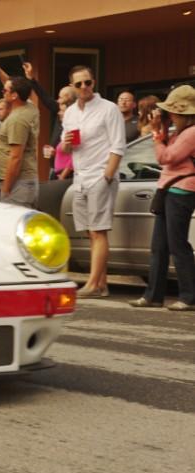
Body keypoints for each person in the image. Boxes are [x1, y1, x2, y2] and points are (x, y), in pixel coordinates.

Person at [60, 65, 126, 298]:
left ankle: (92, 283)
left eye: (87, 82)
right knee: (90, 232)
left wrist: (107, 176)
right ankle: (103, 283)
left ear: (94, 82)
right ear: (72, 87)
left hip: (100, 175)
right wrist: (67, 143)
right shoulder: (70, 113)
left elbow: (119, 145)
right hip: (80, 176)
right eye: (78, 84)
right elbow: (66, 148)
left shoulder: (109, 109)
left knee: (99, 231)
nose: (84, 87)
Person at [128, 85, 195, 311]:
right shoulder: (178, 132)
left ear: (186, 114)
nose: (170, 115)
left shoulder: (191, 133)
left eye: (173, 112)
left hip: (182, 191)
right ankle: (153, 296)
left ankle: (189, 297)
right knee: (159, 245)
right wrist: (162, 129)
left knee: (177, 244)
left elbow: (165, 157)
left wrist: (157, 136)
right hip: (168, 189)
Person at [0, 76, 40, 208]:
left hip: (18, 183)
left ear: (15, 95)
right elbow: (22, 87)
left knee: (11, 226)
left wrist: (6, 189)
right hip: (28, 181)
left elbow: (16, 157)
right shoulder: (31, 108)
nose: (2, 92)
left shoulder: (17, 120)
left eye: (4, 90)